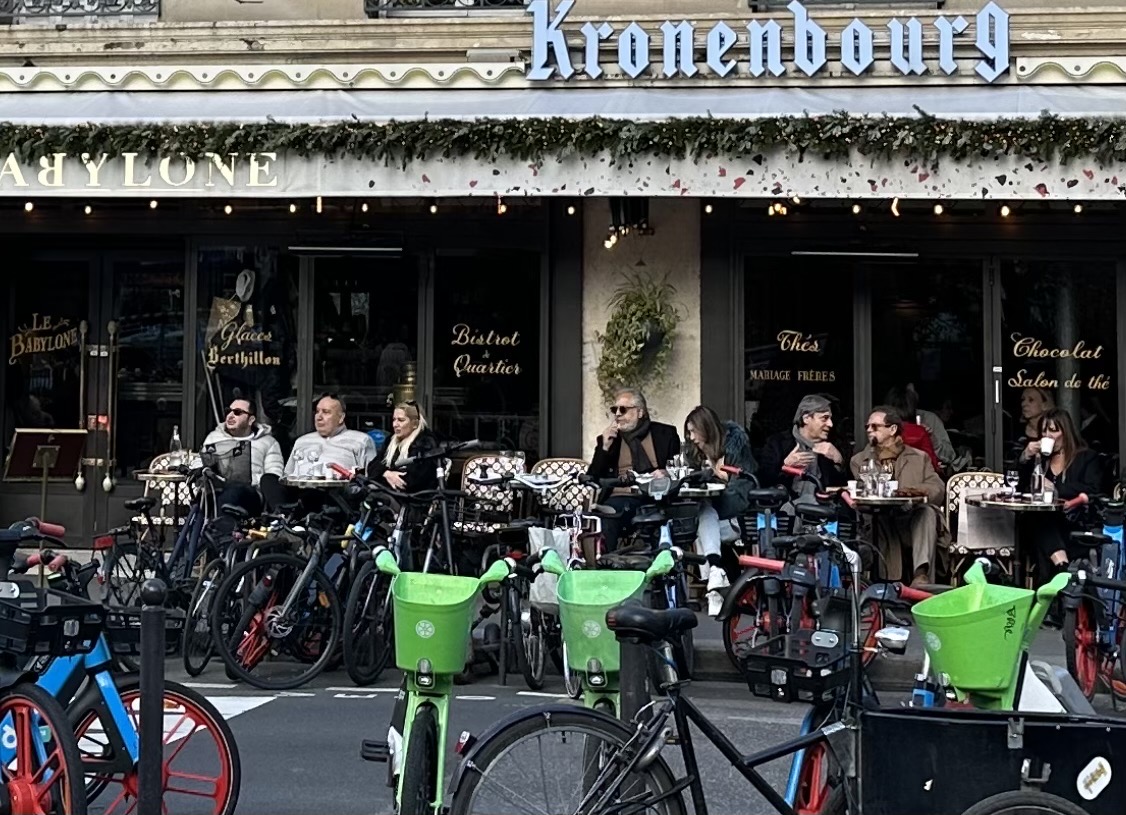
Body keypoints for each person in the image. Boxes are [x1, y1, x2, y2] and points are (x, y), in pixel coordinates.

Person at [850, 406, 947, 586]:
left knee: (927, 513)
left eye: (875, 426)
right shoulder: (859, 460)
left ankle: (921, 575)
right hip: (880, 522)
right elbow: (862, 493)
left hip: (910, 522)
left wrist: (915, 491)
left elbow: (938, 488)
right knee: (879, 520)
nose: (869, 430)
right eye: (868, 427)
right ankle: (884, 584)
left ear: (892, 429)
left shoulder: (919, 457)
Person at [587, 387, 680, 551]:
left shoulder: (665, 434)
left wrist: (666, 473)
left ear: (640, 412)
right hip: (620, 497)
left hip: (655, 496)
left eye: (623, 409)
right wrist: (604, 447)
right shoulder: (610, 440)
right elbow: (593, 478)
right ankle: (605, 567)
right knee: (606, 515)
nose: (617, 414)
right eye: (614, 409)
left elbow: (678, 468)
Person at [1017, 408, 1103, 585]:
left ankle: (1057, 573)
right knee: (1035, 517)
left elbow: (1093, 488)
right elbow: (1017, 487)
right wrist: (1025, 457)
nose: (1048, 435)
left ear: (1066, 432)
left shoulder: (1086, 457)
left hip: (1072, 521)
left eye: (1054, 430)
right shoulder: (1038, 460)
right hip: (1041, 521)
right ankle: (1062, 567)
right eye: (1044, 431)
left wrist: (1055, 488)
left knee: (1039, 524)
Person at [683, 405, 756, 614]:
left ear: (706, 429)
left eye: (693, 431)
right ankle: (714, 578)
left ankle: (712, 584)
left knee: (702, 515)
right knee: (702, 516)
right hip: (715, 521)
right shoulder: (697, 455)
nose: (691, 437)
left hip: (737, 518)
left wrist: (719, 479)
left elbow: (742, 490)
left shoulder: (734, 449)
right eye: (689, 432)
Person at [200, 398, 285, 535]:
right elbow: (201, 463)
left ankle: (222, 539)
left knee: (236, 490)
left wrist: (251, 478)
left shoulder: (268, 442)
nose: (230, 416)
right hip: (219, 490)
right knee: (201, 498)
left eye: (237, 412)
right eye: (228, 411)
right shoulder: (214, 437)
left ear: (251, 420)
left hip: (251, 494)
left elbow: (274, 475)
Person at [757, 394, 848, 511]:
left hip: (824, 511)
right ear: (806, 418)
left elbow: (843, 489)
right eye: (824, 418)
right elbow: (763, 481)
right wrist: (785, 466)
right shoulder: (778, 443)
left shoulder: (832, 446)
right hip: (786, 512)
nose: (830, 424)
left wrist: (839, 461)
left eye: (830, 419)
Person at [285, 394, 378, 476]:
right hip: (301, 491)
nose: (319, 417)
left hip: (340, 493)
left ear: (341, 417)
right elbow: (287, 475)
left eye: (326, 412)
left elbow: (371, 478)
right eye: (317, 412)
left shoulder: (361, 441)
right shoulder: (302, 441)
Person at [368, 400, 440, 493]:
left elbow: (409, 481)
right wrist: (386, 473)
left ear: (415, 423)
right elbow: (372, 466)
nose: (395, 425)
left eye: (401, 420)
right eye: (394, 419)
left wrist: (380, 475)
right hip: (388, 494)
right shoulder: (391, 440)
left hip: (413, 500)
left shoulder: (425, 443)